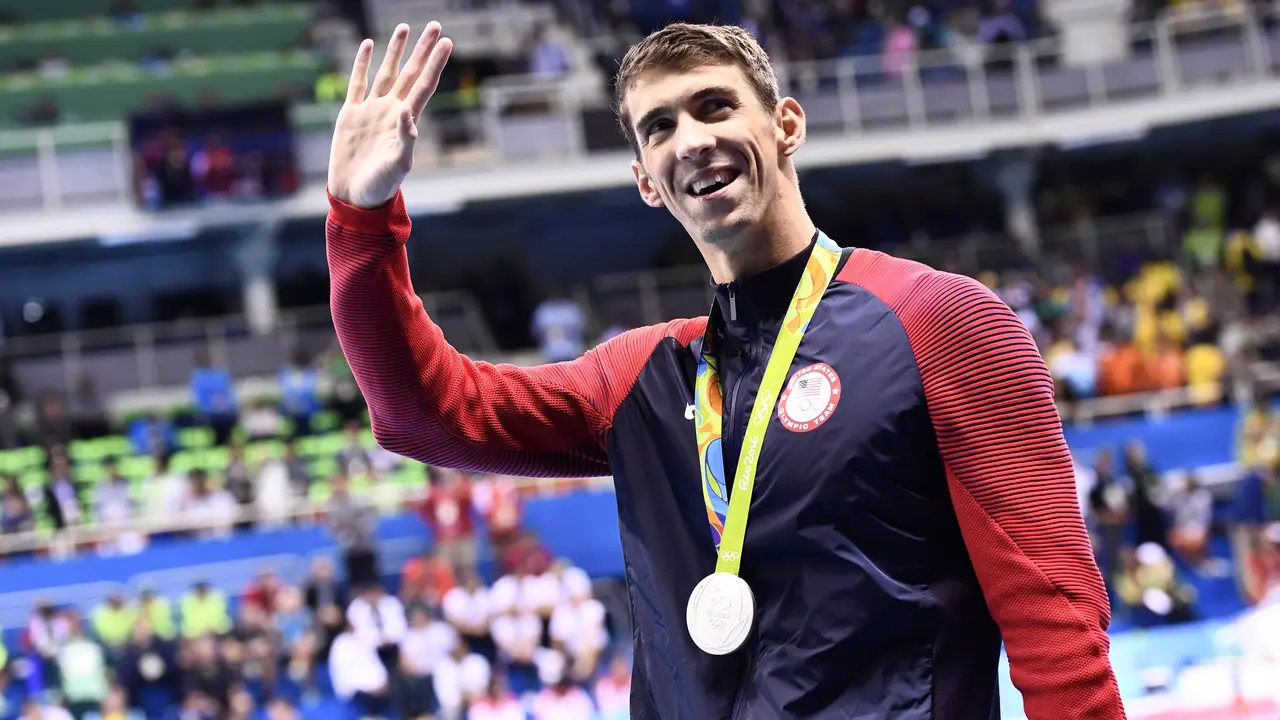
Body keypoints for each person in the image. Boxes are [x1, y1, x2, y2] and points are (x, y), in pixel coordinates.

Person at [324, 20, 1121, 719]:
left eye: (714, 105)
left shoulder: (937, 322)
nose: (692, 139)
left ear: (786, 125)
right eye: (659, 127)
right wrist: (360, 220)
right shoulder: (644, 378)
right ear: (645, 179)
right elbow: (425, 412)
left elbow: (1056, 618)